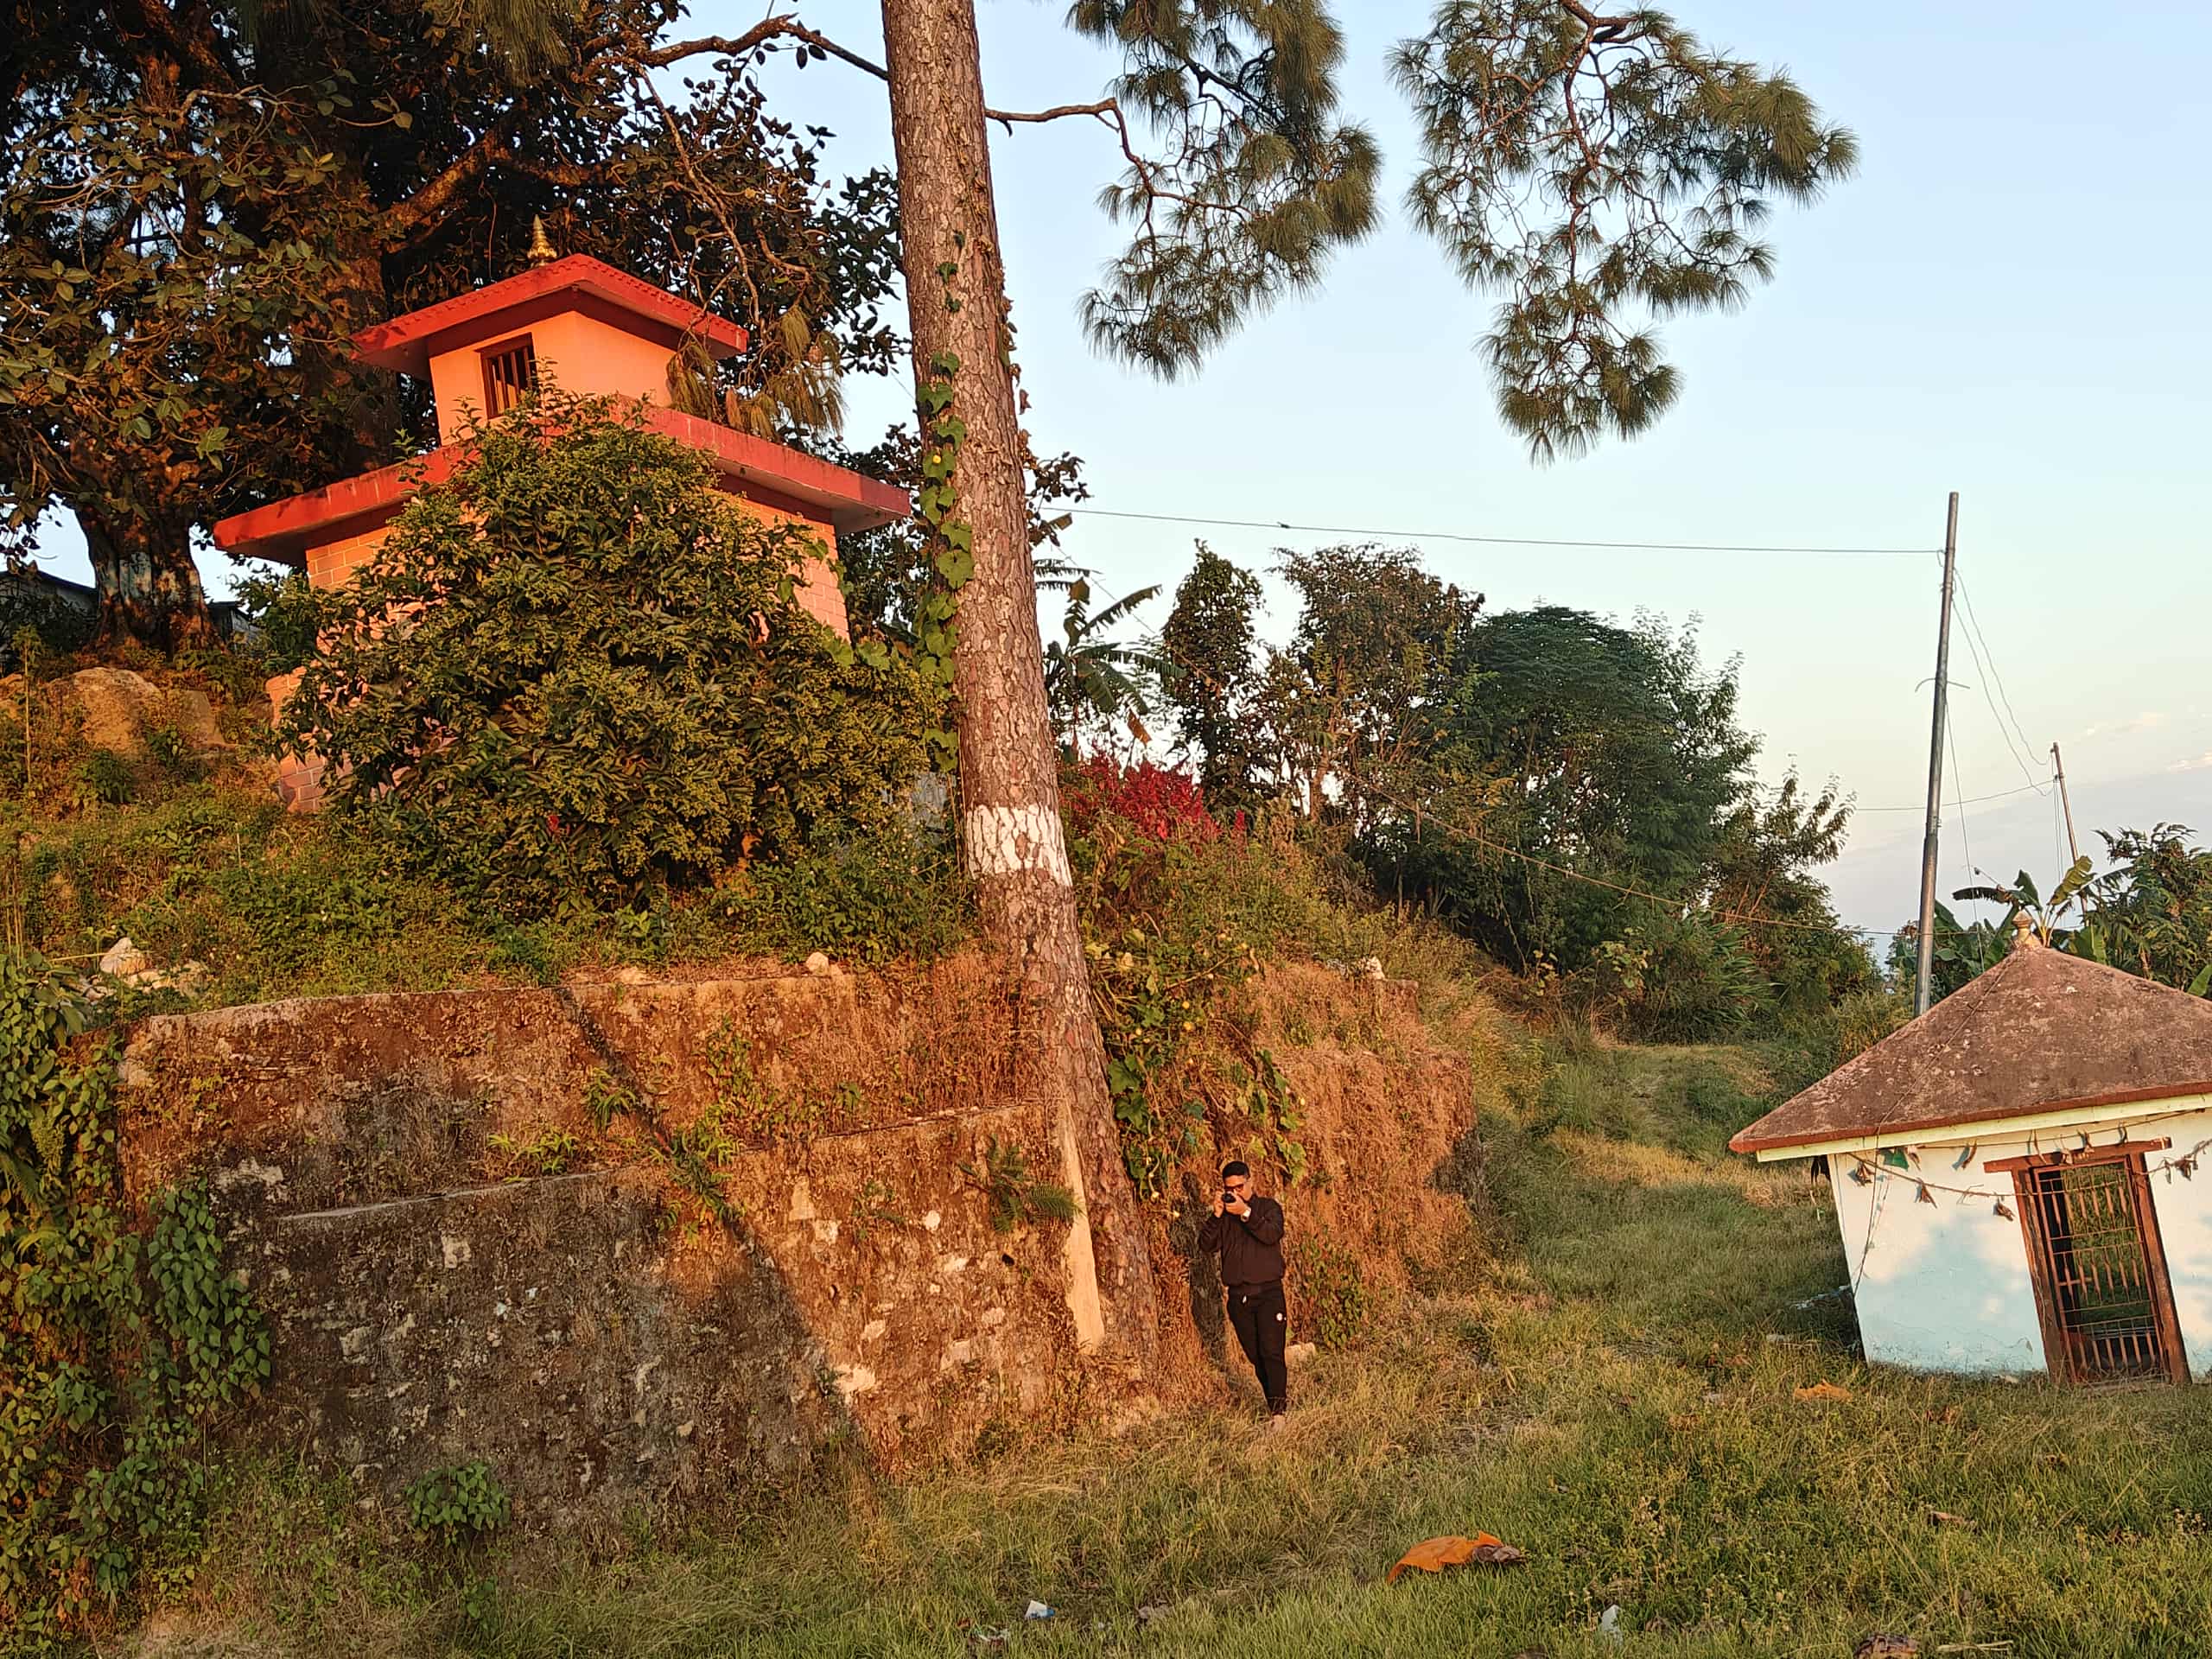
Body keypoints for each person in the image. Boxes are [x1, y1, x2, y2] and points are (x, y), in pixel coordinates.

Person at [1198, 1159, 1288, 1423]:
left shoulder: (1268, 1208)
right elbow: (1205, 1245)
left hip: (1269, 1293)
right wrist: (1216, 1215)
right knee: (1256, 1355)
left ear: (1250, 1182)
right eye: (1230, 1188)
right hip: (1239, 1297)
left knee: (1272, 1351)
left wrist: (1245, 1213)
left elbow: (1272, 1234)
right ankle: (1273, 1404)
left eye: (1240, 1187)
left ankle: (1279, 1414)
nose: (1235, 1193)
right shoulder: (1224, 1217)